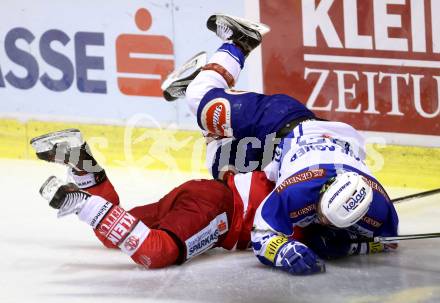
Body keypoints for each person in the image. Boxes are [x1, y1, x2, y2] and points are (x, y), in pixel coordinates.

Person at [162, 14, 399, 275]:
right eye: (322, 214)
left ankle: (199, 79)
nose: (319, 221)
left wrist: (352, 246)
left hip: (284, 148)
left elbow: (388, 243)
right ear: (324, 190)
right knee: (203, 103)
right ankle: (240, 41)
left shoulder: (378, 203)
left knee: (222, 170)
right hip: (279, 121)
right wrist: (286, 253)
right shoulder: (300, 187)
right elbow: (262, 235)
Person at [31, 129, 275, 268]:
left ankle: (82, 161)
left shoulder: (296, 171)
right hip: (220, 209)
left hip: (207, 193)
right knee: (157, 251)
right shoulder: (306, 196)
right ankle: (80, 202)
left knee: (110, 234)